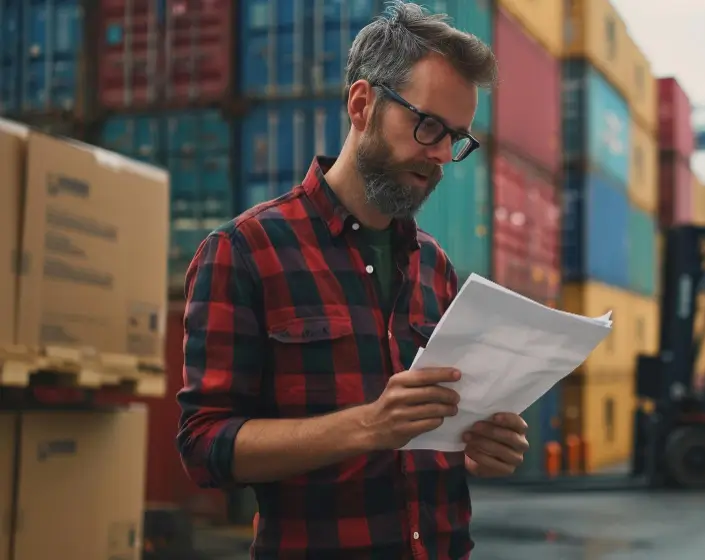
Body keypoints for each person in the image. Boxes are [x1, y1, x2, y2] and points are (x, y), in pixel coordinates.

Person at [175, 3, 528, 558]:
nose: (441, 156)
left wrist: (482, 448)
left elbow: (441, 446)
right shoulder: (244, 252)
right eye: (428, 125)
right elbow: (203, 447)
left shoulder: (436, 268)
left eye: (455, 137)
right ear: (362, 104)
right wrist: (368, 427)